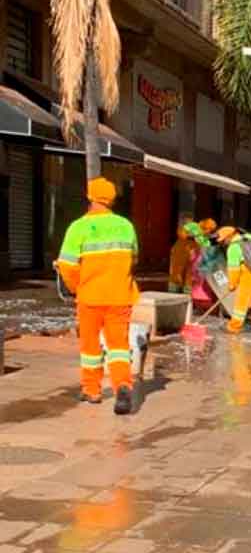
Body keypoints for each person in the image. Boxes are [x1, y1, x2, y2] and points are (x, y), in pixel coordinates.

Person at [55, 177, 140, 415]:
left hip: (90, 297)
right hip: (120, 296)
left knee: (90, 346)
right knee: (119, 346)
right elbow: (134, 260)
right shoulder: (126, 226)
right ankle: (122, 384)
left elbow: (67, 265)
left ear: (90, 197)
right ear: (112, 198)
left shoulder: (78, 227)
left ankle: (92, 390)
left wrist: (75, 288)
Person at [217, 226, 251, 334]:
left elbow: (233, 269)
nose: (223, 243)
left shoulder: (233, 248)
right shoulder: (250, 237)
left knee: (241, 301)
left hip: (249, 275)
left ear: (229, 237)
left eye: (223, 240)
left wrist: (232, 284)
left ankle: (234, 327)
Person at [167, 215, 199, 293]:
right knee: (178, 273)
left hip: (189, 249)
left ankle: (183, 290)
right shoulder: (185, 234)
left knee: (188, 273)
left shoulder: (192, 235)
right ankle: (176, 290)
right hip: (184, 249)